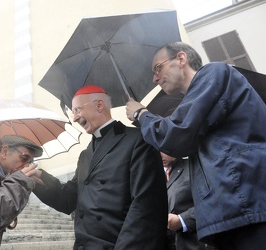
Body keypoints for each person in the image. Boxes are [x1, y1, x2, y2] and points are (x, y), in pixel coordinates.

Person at [126, 41, 266, 249]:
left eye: (158, 68)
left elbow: (176, 135)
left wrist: (141, 114)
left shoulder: (214, 72)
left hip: (247, 204)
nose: (155, 78)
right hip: (232, 211)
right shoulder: (196, 101)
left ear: (181, 59)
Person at [29, 85, 168, 249]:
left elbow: (145, 208)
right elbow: (67, 200)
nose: (74, 118)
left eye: (77, 110)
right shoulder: (85, 155)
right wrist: (38, 178)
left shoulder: (138, 141)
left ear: (99, 105)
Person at [161, 152, 216, 250]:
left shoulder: (195, 166)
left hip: (196, 243)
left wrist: (182, 220)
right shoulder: (150, 175)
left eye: (161, 149)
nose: (159, 154)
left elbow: (215, 202)